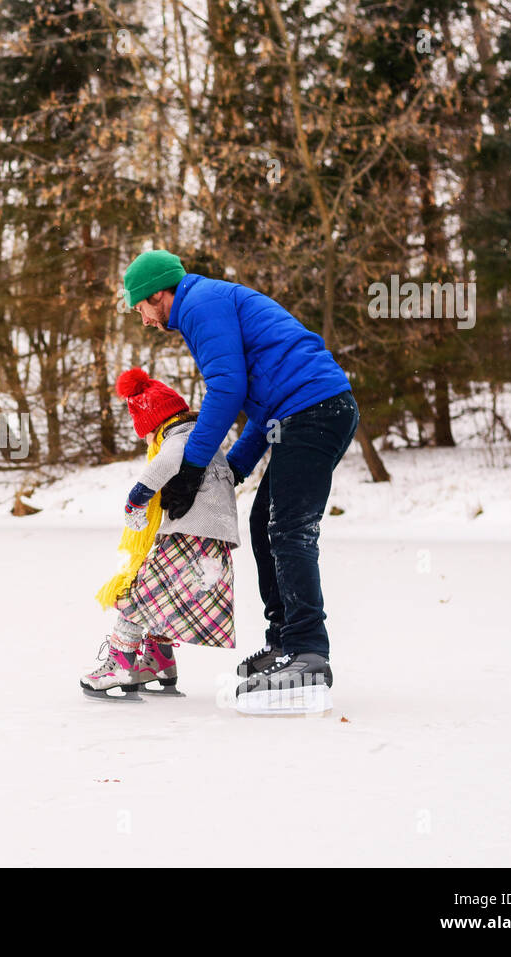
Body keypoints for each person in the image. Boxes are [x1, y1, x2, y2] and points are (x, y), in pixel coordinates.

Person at [121, 249, 359, 715]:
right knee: (262, 523)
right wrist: (232, 471)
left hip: (315, 410)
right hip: (300, 413)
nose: (143, 319)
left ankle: (308, 650)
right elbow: (258, 404)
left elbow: (226, 390)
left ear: (159, 294)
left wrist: (192, 467)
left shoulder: (199, 304)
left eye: (140, 307)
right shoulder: (204, 303)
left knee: (289, 530)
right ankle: (284, 643)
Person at [81, 368, 239, 701]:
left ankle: (120, 664)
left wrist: (136, 499)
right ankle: (159, 662)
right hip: (211, 538)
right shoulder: (204, 438)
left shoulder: (177, 438)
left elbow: (165, 463)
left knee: (140, 595)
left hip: (190, 533)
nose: (147, 442)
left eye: (145, 435)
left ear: (154, 424)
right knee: (163, 599)